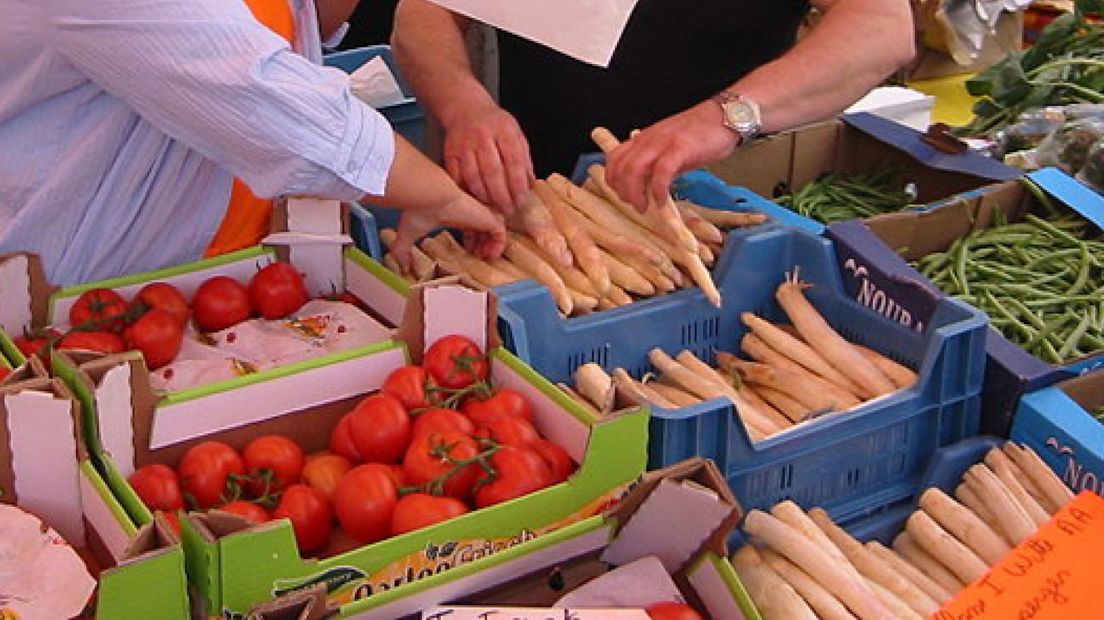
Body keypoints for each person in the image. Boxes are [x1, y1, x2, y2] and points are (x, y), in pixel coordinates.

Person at [0, 0, 504, 287]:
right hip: (86, 296)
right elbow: (259, 95)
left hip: (239, 280)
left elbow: (300, 25)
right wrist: (442, 195)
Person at [391, 0, 915, 215]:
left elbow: (882, 27)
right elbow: (423, 13)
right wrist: (466, 107)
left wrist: (725, 115)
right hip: (536, 200)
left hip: (710, 208)